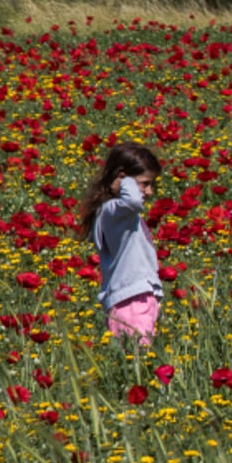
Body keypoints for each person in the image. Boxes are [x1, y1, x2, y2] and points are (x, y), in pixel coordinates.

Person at [77, 142, 163, 346]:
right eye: (145, 183)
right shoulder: (113, 210)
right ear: (123, 178)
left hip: (133, 299)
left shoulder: (116, 213)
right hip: (132, 301)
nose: (149, 191)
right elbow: (133, 201)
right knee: (139, 361)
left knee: (135, 361)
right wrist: (127, 182)